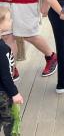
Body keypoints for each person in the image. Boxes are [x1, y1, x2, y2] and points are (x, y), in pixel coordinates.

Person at [0, 7, 23, 136]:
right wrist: (14, 93)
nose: (11, 21)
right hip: (3, 93)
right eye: (8, 19)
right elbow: (5, 75)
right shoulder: (2, 48)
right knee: (10, 121)